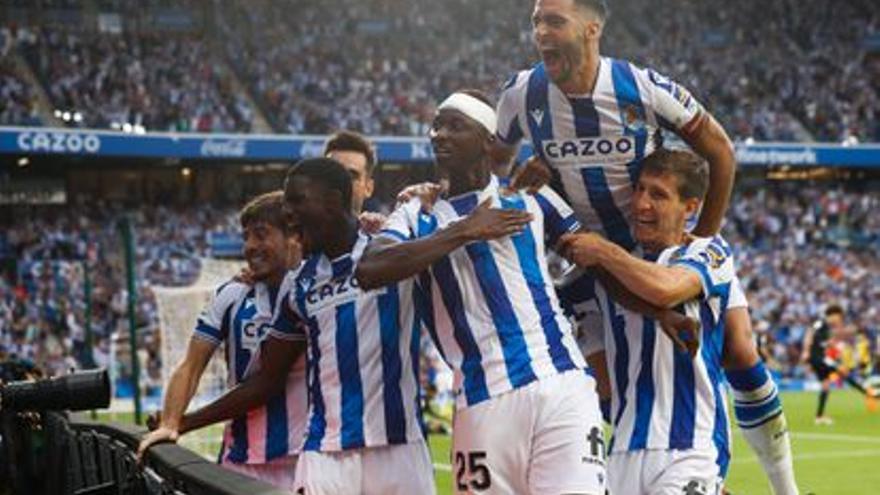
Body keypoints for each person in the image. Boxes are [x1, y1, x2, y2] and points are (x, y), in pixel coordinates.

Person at [359, 89, 638, 494]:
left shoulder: (530, 195)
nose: (439, 134)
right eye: (437, 125)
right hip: (483, 400)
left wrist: (657, 309)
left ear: (488, 141)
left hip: (562, 383)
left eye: (455, 126)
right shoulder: (415, 212)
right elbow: (370, 269)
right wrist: (464, 230)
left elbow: (595, 260)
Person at [492, 0, 737, 415]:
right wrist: (517, 177)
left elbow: (721, 151)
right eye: (536, 23)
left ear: (591, 29)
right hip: (589, 257)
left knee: (741, 355)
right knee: (611, 396)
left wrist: (702, 240)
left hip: (655, 253)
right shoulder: (520, 93)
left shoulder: (641, 87)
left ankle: (783, 482)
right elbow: (491, 167)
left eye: (554, 21)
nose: (540, 33)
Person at [559, 148, 797, 494]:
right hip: (622, 455)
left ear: (690, 207)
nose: (641, 204)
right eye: (640, 189)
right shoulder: (597, 278)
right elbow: (604, 383)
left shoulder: (708, 252)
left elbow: (666, 290)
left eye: (658, 195)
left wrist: (604, 251)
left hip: (691, 447)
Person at [273, 158, 434, 495]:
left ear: (333, 201)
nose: (286, 211)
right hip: (324, 452)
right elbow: (268, 376)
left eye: (297, 200)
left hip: (400, 445)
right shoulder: (297, 283)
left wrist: (431, 194)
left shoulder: (395, 253)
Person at [136, 191, 305, 489]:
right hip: (239, 461)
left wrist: (186, 422)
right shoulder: (231, 294)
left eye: (261, 235)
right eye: (246, 237)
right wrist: (170, 423)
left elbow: (268, 382)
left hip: (306, 460)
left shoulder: (314, 292)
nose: (250, 246)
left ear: (293, 236)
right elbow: (190, 366)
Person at [801, 304, 878, 425]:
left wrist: (835, 346)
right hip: (818, 357)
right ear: (833, 314)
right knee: (843, 371)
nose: (839, 320)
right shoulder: (821, 323)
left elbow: (826, 342)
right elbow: (810, 333)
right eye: (839, 317)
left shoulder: (827, 329)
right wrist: (805, 351)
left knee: (826, 385)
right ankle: (870, 393)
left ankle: (819, 417)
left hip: (819, 357)